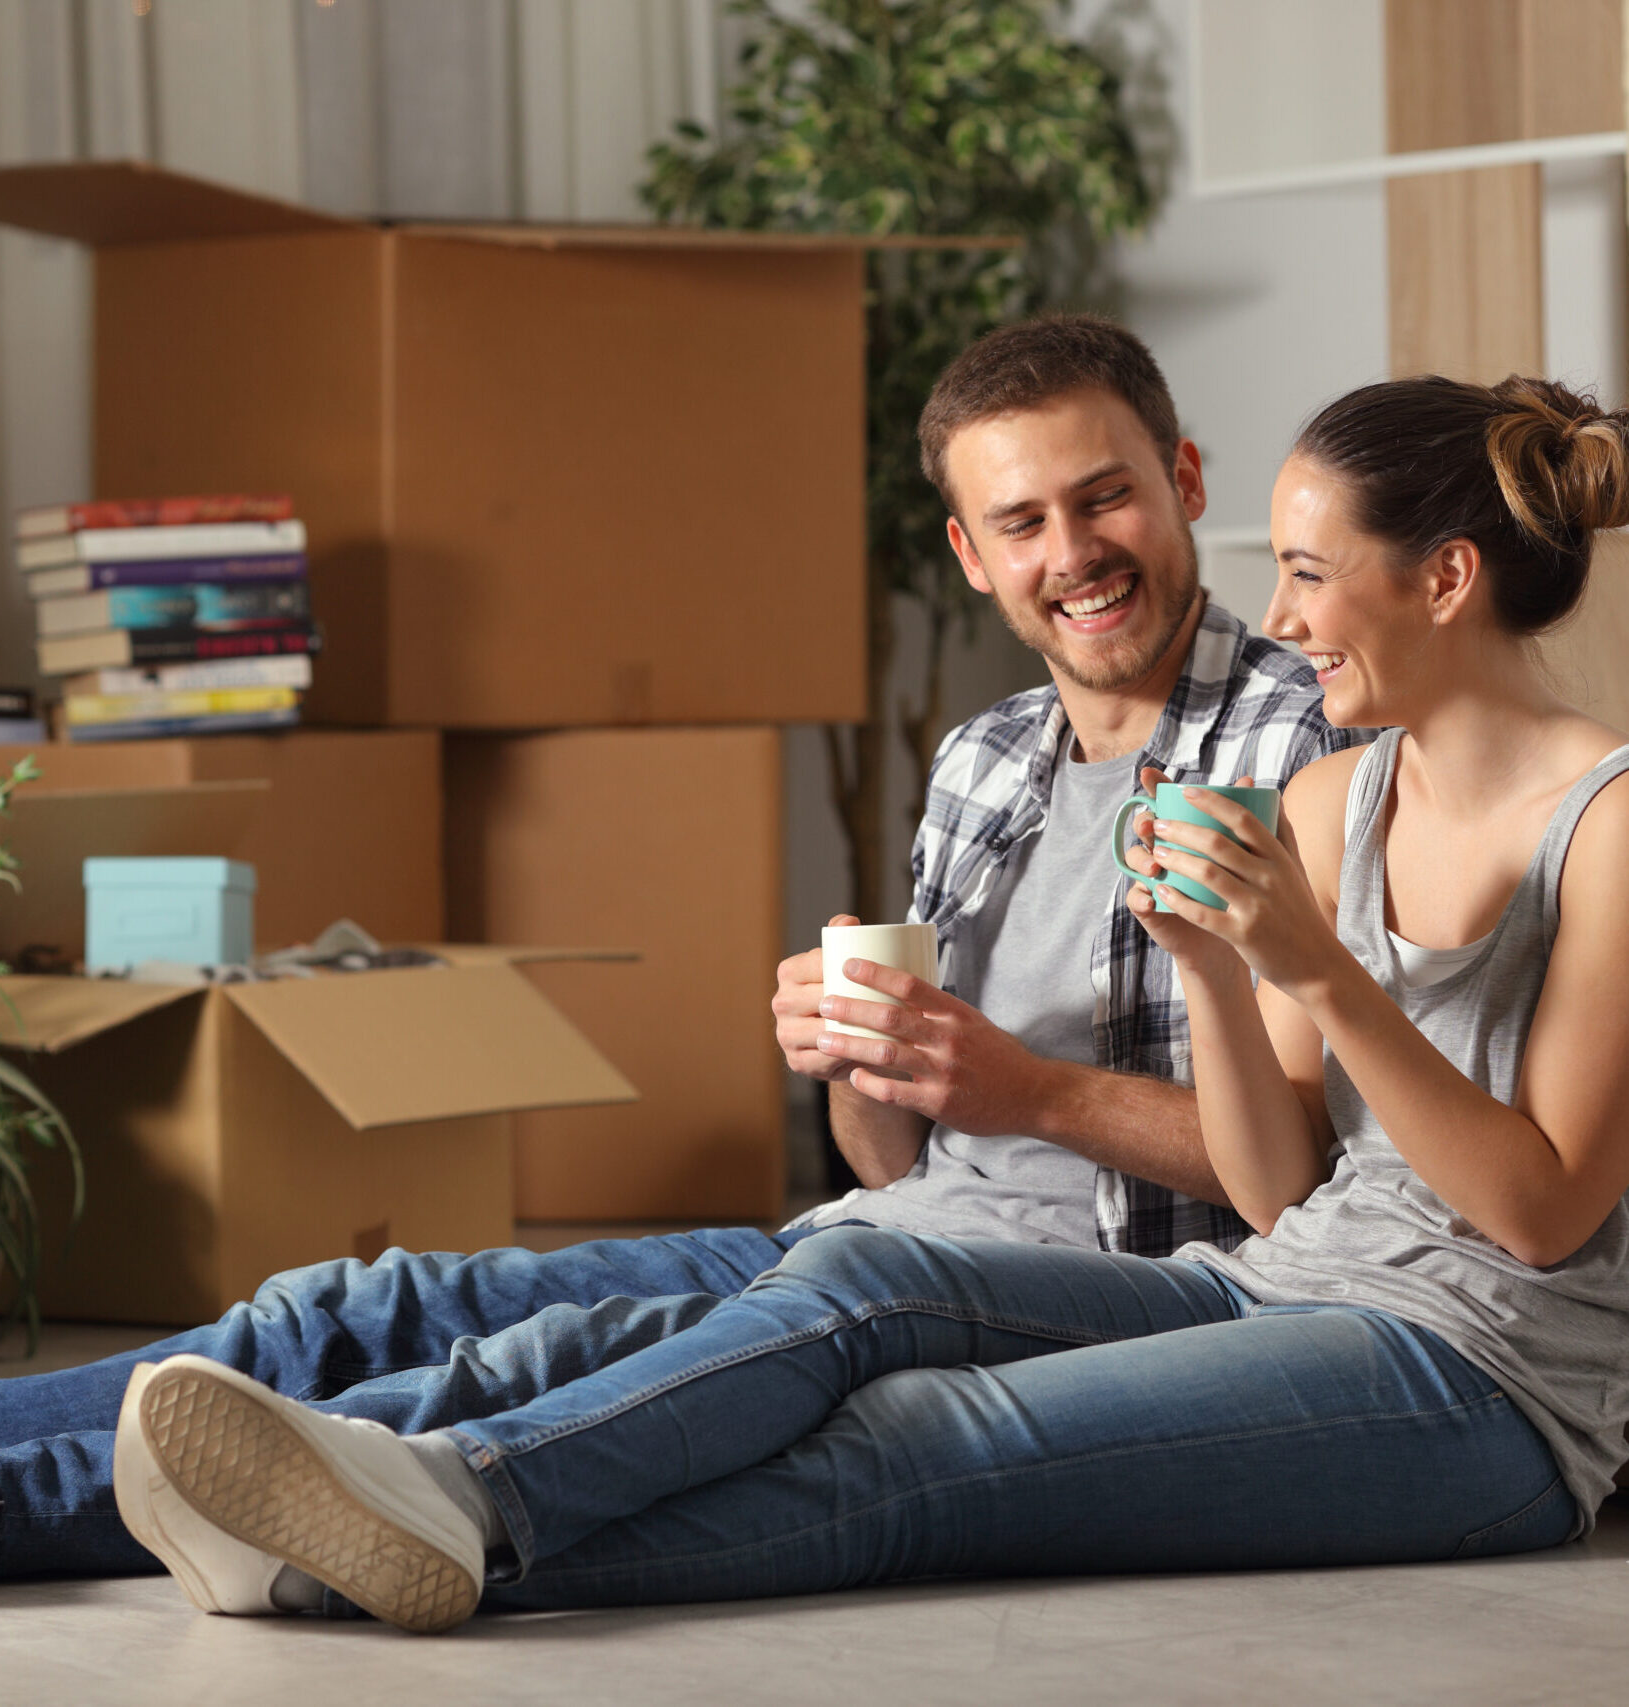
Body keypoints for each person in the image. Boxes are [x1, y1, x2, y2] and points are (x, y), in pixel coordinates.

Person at [113, 370, 1629, 1633]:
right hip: (1282, 1285)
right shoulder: (1332, 795)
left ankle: (401, 1527)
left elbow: (1544, 1213)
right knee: (863, 1291)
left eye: (1310, 570)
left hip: (1484, 1382)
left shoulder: (1610, 822)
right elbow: (1282, 1184)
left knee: (918, 1449)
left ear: (1443, 577)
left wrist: (1311, 970)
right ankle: (408, 1502)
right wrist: (1213, 973)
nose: (1286, 614)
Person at [0, 314, 1349, 1589]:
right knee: (358, 1308)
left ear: (1186, 484)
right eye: (1022, 521)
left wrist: (1023, 1092)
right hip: (862, 1242)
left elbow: (1318, 1170)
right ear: (972, 555)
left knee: (488, 1383)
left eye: (1106, 498)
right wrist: (858, 1054)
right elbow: (887, 1163)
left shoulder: (1310, 748)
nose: (1074, 554)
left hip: (1117, 1298)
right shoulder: (984, 762)